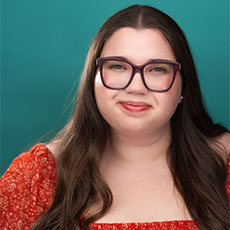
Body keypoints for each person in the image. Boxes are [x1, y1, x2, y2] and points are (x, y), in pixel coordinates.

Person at [0, 4, 229, 230]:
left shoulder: (224, 165)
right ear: (93, 78)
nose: (136, 87)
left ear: (183, 86)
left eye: (158, 69)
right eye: (118, 66)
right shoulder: (38, 175)